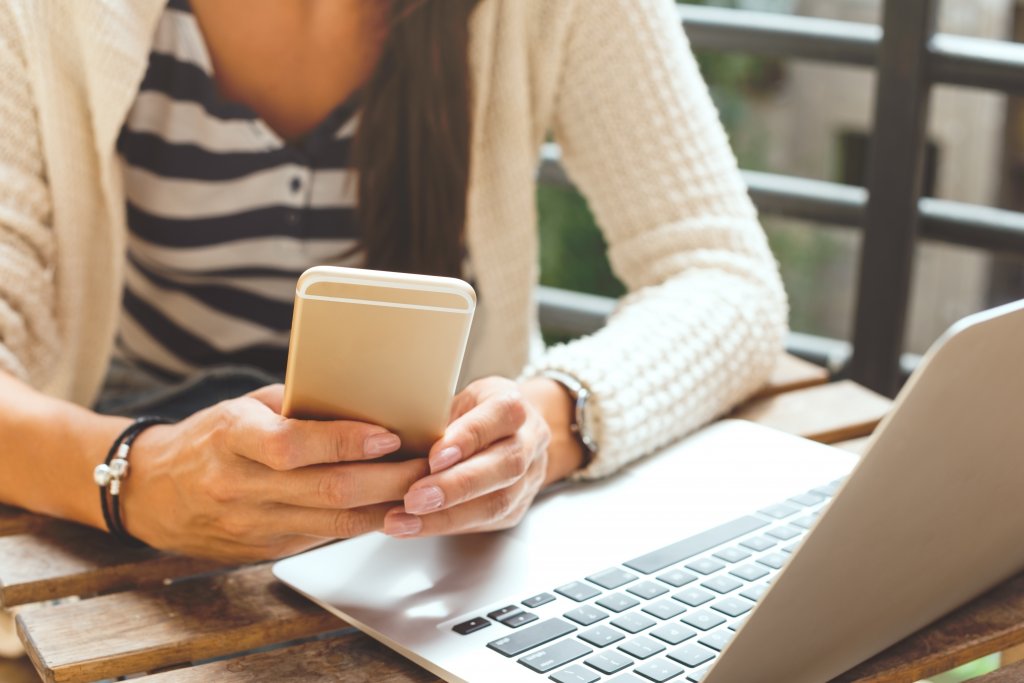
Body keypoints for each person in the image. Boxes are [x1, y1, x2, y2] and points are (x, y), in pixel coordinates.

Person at [0, 0, 787, 562]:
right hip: (128, 510)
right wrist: (141, 479)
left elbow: (723, 277)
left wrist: (548, 424)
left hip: (429, 535)